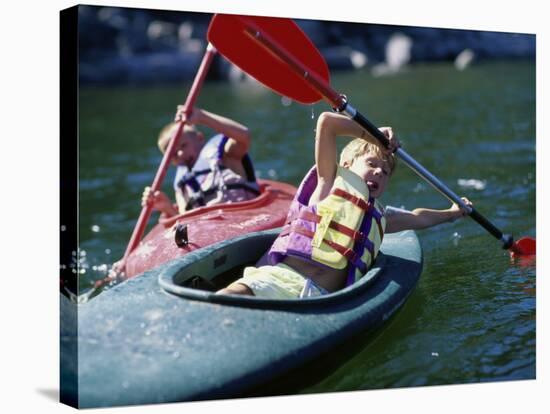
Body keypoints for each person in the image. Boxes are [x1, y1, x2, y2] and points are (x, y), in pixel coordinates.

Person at [217, 112, 471, 298]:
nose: (379, 172)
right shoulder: (328, 180)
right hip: (281, 279)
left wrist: (452, 212)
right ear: (347, 166)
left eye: (385, 171)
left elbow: (418, 218)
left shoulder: (380, 217)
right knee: (231, 296)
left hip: (326, 298)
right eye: (372, 164)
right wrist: (372, 134)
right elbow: (326, 123)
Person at [142, 106, 260, 217]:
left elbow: (245, 135)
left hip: (244, 220)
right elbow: (184, 220)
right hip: (213, 234)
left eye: (183, 145)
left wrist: (202, 117)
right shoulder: (182, 185)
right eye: (172, 154)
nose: (180, 154)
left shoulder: (227, 155)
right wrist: (166, 207)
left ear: (200, 138)